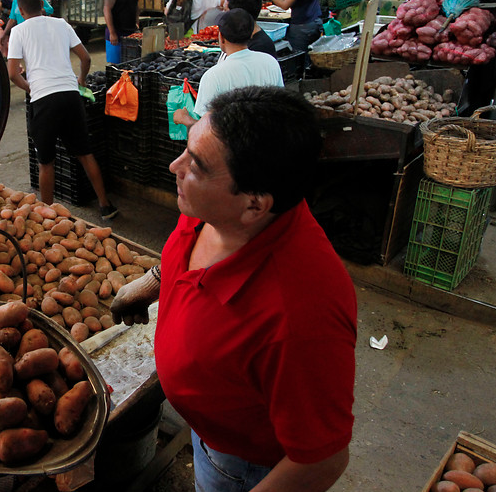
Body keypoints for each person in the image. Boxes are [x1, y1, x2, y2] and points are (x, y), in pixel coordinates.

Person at [110, 85, 357, 492]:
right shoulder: (215, 208)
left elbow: (323, 460)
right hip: (207, 431)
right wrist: (156, 281)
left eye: (196, 165)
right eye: (185, 150)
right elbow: (188, 245)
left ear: (254, 205)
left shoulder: (301, 319)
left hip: (243, 468)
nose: (175, 167)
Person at [7, 0, 119, 220]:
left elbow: (12, 73)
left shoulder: (18, 31)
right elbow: (85, 57)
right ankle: (106, 205)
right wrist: (81, 80)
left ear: (20, 10)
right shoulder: (62, 24)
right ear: (42, 5)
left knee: (46, 163)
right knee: (85, 154)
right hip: (70, 95)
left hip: (44, 100)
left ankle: (47, 215)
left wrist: (29, 87)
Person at [173, 8, 283, 127]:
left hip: (233, 143)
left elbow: (207, 129)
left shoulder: (214, 76)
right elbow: (281, 104)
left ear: (221, 37)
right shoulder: (270, 62)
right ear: (251, 33)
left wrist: (185, 119)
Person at [104, 0, 139, 64]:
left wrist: (137, 22)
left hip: (131, 34)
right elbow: (106, 9)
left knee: (131, 65)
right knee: (116, 65)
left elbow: (136, 6)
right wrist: (112, 33)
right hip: (117, 34)